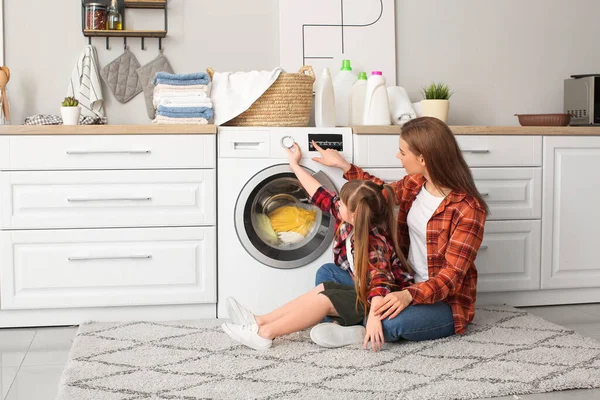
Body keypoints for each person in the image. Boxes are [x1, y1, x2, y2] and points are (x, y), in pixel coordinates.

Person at [310, 117, 488, 347]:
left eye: (402, 152)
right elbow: (376, 194)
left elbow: (451, 277)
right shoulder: (415, 183)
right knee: (328, 273)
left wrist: (408, 296)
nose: (398, 156)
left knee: (389, 324)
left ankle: (352, 323)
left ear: (423, 158)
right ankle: (360, 322)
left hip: (442, 302)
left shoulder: (468, 209)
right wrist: (344, 167)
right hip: (399, 283)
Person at [221, 142, 413, 352]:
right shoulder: (348, 217)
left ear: (355, 214)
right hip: (363, 290)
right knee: (325, 280)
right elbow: (319, 193)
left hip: (382, 305)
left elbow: (380, 284)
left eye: (341, 204)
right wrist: (294, 165)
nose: (337, 204)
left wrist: (375, 319)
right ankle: (259, 321)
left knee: (325, 298)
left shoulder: (374, 243)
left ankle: (264, 334)